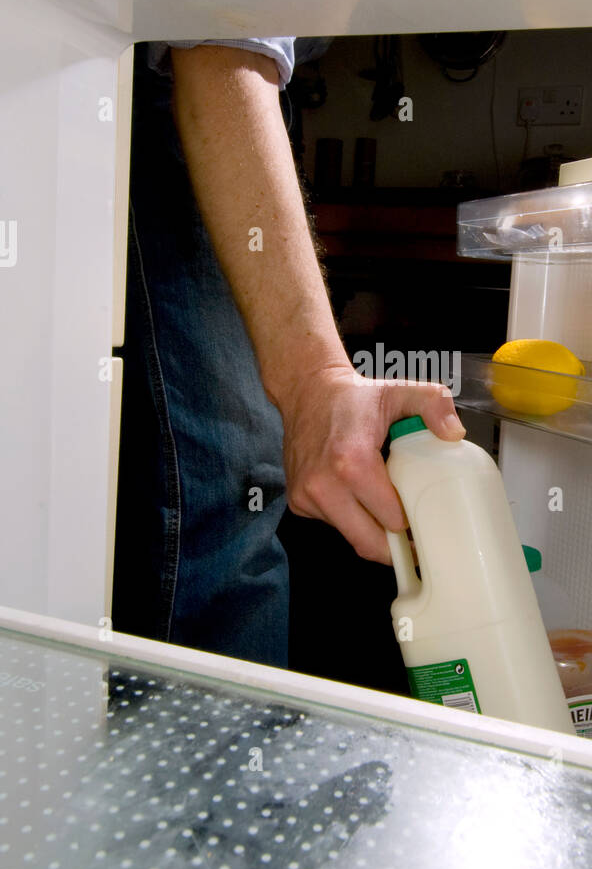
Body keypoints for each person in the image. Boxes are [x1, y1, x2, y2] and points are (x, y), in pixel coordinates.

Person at [112, 38, 465, 667]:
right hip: (196, 95)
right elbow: (218, 33)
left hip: (234, 97)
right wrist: (314, 382)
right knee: (222, 509)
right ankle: (216, 761)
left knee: (219, 501)